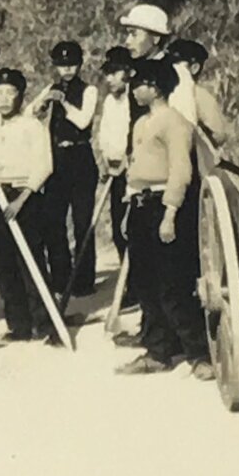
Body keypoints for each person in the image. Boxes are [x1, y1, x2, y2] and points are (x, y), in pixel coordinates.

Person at [114, 57, 200, 376]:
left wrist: (170, 213)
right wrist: (127, 208)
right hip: (139, 205)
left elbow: (181, 169)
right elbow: (135, 171)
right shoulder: (141, 124)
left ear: (157, 88)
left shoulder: (175, 122)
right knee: (145, 283)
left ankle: (198, 353)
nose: (134, 90)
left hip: (164, 205)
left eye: (140, 85)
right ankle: (157, 351)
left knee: (173, 283)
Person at [0, 68, 59, 342]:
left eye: (10, 93)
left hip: (24, 197)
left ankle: (47, 324)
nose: (4, 99)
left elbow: (44, 165)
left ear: (20, 96)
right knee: (2, 265)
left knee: (30, 262)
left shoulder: (32, 126)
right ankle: (19, 325)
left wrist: (22, 198)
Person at [33, 39, 100, 298]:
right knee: (53, 221)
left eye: (71, 65)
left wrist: (64, 103)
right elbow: (31, 113)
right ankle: (60, 277)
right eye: (62, 66)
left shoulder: (89, 90)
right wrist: (43, 103)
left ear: (80, 64)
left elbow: (83, 121)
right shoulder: (51, 87)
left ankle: (84, 280)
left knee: (82, 221)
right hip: (57, 159)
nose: (67, 70)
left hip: (80, 157)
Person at [95, 46, 135, 268]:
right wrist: (103, 160)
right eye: (107, 73)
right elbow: (104, 133)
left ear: (128, 71)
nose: (109, 79)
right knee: (118, 228)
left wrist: (126, 163)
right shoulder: (110, 101)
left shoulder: (135, 99)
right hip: (114, 171)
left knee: (132, 228)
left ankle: (138, 281)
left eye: (115, 73)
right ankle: (127, 281)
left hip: (133, 170)